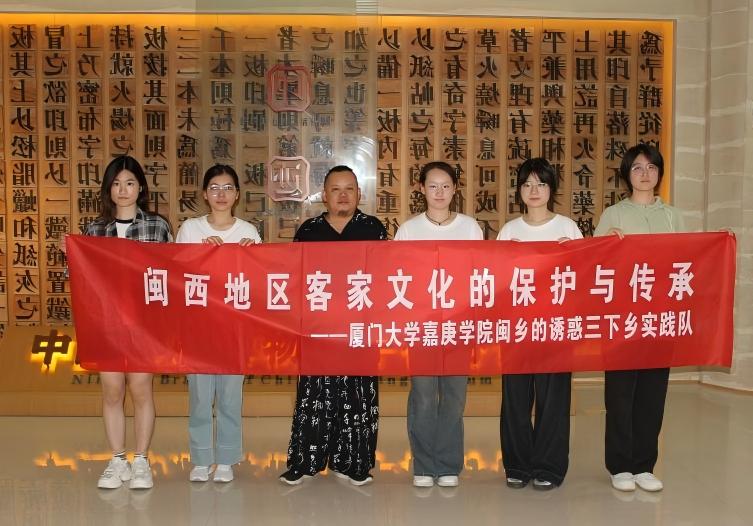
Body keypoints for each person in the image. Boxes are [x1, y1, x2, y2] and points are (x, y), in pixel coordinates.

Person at [68, 155, 172, 489]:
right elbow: (84, 278)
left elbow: (172, 276)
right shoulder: (96, 229)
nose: (123, 190)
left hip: (145, 324)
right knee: (112, 391)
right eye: (116, 183)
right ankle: (117, 460)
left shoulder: (157, 226)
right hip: (106, 324)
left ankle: (141, 460)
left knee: (141, 389)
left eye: (129, 183)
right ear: (108, 189)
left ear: (140, 187)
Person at [279, 165, 387, 487]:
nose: (343, 195)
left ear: (359, 194)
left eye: (349, 189)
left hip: (360, 326)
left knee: (358, 395)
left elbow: (388, 276)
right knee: (314, 394)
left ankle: (354, 463)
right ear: (324, 195)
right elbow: (293, 277)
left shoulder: (373, 228)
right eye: (335, 189)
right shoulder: (309, 230)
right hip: (318, 326)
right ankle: (305, 461)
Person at [594, 143, 684, 493]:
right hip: (623, 319)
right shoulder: (613, 214)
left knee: (652, 393)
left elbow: (689, 258)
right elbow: (594, 263)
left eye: (651, 167)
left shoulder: (673, 216)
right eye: (637, 168)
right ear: (626, 174)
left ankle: (644, 465)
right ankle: (619, 466)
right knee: (620, 393)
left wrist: (720, 241)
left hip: (660, 318)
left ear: (659, 173)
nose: (645, 174)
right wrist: (606, 243)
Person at [394, 161, 484, 488]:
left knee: (454, 397)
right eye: (432, 186)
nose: (439, 192)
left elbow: (479, 274)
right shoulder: (408, 230)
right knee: (423, 395)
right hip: (422, 326)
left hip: (459, 325)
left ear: (455, 189)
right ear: (421, 189)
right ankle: (423, 465)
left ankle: (447, 464)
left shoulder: (470, 228)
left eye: (446, 186)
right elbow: (397, 278)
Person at [496, 157, 583, 491]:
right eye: (527, 184)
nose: (534, 190)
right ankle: (517, 464)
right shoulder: (509, 231)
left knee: (553, 400)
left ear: (552, 189)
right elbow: (495, 282)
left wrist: (568, 255)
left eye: (541, 183)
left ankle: (549, 466)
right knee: (516, 399)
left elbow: (584, 275)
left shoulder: (568, 228)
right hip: (517, 329)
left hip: (556, 328)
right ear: (519, 190)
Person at [176, 165, 261, 483]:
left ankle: (226, 458)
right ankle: (201, 458)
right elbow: (175, 275)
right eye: (214, 188)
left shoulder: (248, 232)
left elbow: (259, 285)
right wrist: (202, 256)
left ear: (237, 194)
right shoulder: (190, 229)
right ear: (204, 194)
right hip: (199, 326)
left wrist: (252, 258)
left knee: (229, 397)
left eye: (227, 188)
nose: (221, 194)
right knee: (199, 397)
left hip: (234, 327)